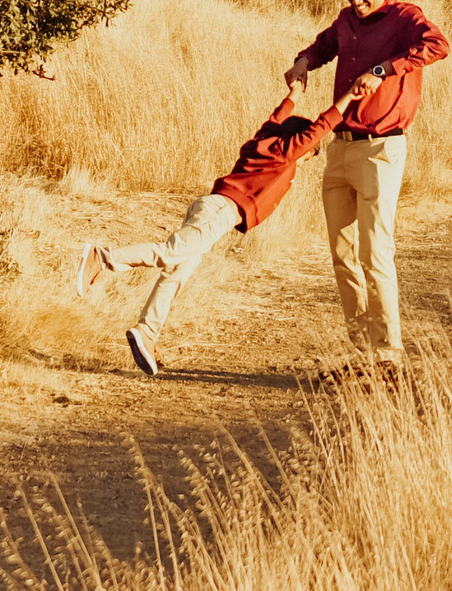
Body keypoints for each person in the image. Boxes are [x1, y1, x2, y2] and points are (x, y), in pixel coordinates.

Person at [77, 81, 366, 375]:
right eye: (306, 156)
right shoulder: (283, 153)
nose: (304, 161)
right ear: (297, 143)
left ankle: (147, 332)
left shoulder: (264, 139)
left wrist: (292, 97)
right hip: (220, 212)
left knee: (176, 273)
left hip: (212, 207)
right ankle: (103, 257)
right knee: (169, 254)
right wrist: (348, 98)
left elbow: (275, 119)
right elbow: (321, 126)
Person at [285, 0, 449, 374]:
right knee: (341, 254)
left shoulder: (404, 18)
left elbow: (438, 45)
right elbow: (323, 46)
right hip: (339, 147)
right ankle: (362, 354)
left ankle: (389, 354)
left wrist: (383, 68)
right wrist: (303, 62)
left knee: (375, 252)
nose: (356, 2)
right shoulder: (346, 20)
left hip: (381, 149)